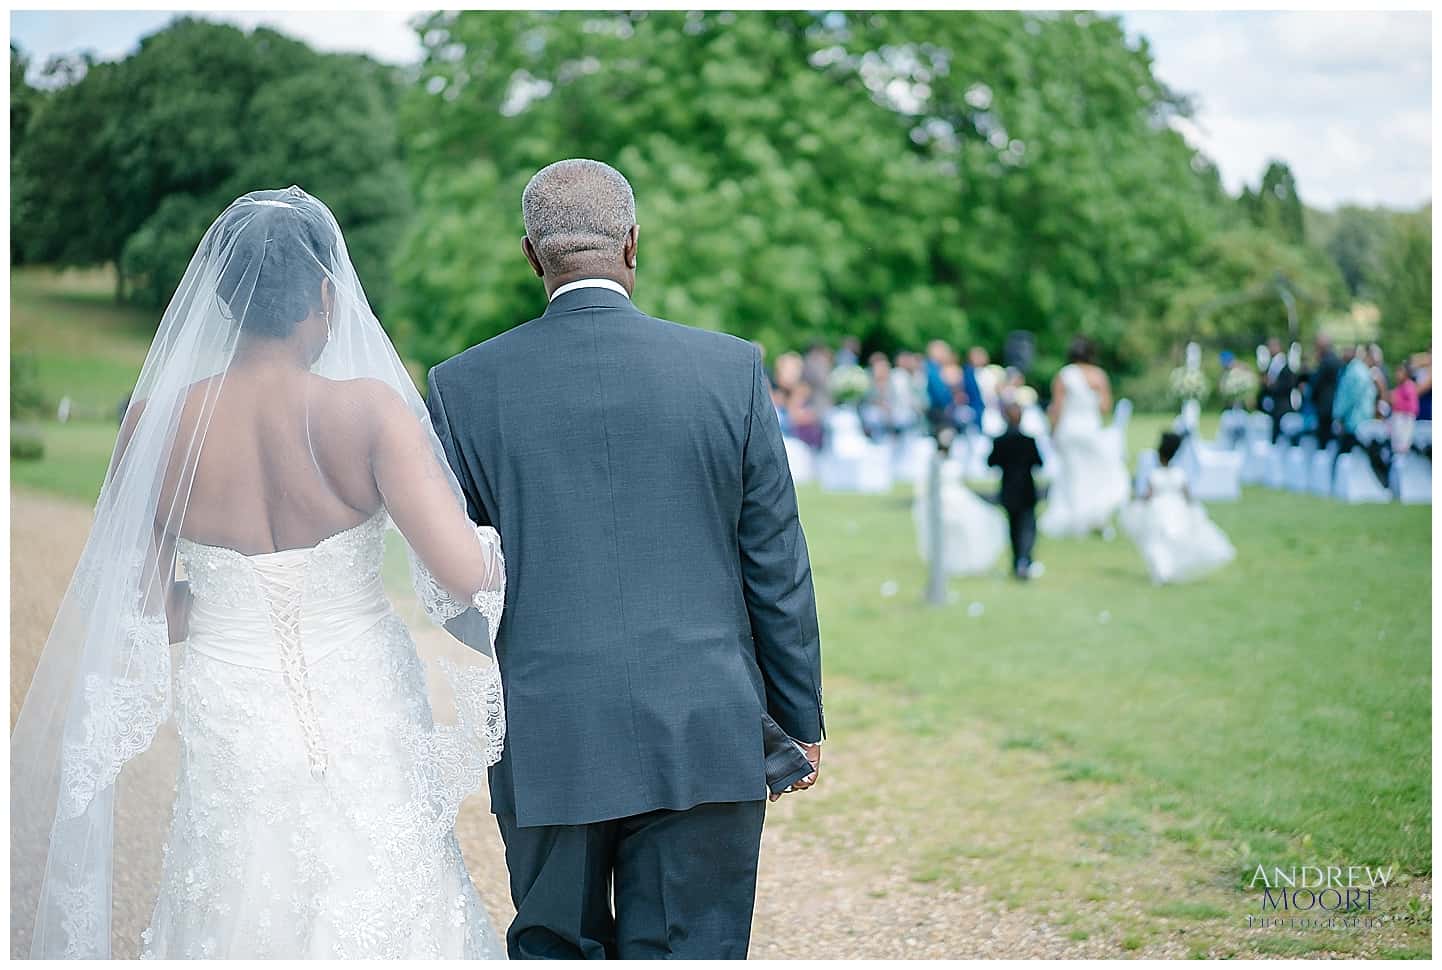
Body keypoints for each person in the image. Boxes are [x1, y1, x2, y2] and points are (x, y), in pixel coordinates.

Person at [12, 188, 510, 958]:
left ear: (223, 297)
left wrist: (226, 600)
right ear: (325, 294)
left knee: (235, 883)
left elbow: (144, 606)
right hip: (362, 693)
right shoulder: (371, 413)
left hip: (230, 695)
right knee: (382, 878)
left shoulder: (154, 423)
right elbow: (461, 571)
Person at [425, 159, 824, 959]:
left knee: (557, 950)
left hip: (550, 729)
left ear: (533, 256)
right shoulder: (730, 370)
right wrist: (799, 719)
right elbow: (775, 564)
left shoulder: (461, 386)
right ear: (633, 244)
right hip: (704, 724)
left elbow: (456, 584)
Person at [1039, 336, 1129, 538]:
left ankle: (1078, 518)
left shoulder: (1065, 375)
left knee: (1073, 476)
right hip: (1090, 429)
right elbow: (1105, 407)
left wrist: (1052, 431)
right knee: (1095, 474)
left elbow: (1057, 408)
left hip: (1069, 430)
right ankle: (1091, 518)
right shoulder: (1098, 376)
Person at [1121, 432, 1236, 585]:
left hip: (1158, 511)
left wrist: (1136, 501)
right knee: (1172, 539)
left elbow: (1148, 494)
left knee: (1158, 541)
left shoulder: (1155, 475)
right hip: (1176, 509)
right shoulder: (1179, 474)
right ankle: (1166, 570)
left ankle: (1162, 571)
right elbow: (1187, 495)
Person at [988, 402, 1044, 580]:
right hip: (1027, 490)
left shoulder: (1000, 441)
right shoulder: (1028, 441)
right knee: (1027, 527)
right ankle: (1024, 560)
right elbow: (1039, 463)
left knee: (1014, 528)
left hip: (1009, 491)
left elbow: (991, 462)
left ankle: (1018, 561)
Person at [1260, 336, 1297, 442]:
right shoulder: (1270, 364)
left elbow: (1288, 384)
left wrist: (1271, 385)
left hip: (1282, 406)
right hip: (1273, 405)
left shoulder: (1284, 364)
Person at [1310, 334, 1342, 450]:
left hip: (1324, 405)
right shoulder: (1336, 360)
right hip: (1333, 404)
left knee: (1323, 439)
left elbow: (1315, 383)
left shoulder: (1325, 362)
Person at [1390, 363, 1420, 456]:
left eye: (1400, 372)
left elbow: (1413, 407)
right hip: (1398, 420)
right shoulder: (1399, 387)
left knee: (1402, 446)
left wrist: (1396, 402)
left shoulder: (1409, 386)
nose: (1397, 374)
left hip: (1405, 421)